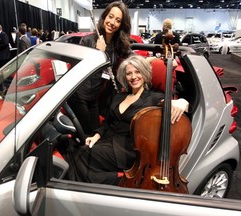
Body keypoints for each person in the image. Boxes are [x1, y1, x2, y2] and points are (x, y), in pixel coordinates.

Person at [62, 54, 189, 185]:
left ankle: (110, 182)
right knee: (69, 145)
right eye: (129, 73)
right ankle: (109, 181)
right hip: (107, 141)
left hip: (127, 150)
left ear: (145, 74)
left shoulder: (154, 98)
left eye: (137, 72)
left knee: (81, 154)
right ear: (125, 76)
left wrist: (183, 102)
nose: (133, 77)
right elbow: (107, 122)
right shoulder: (119, 96)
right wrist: (96, 135)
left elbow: (173, 105)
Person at [67, 1, 132, 135]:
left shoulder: (117, 45)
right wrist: (98, 53)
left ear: (121, 25)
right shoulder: (88, 41)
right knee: (86, 134)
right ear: (104, 17)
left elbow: (133, 58)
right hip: (79, 95)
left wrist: (158, 60)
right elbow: (80, 72)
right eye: (110, 16)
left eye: (118, 20)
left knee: (96, 133)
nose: (112, 22)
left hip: (93, 98)